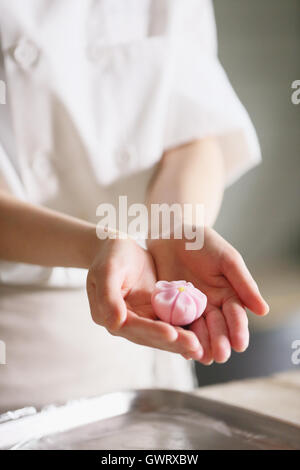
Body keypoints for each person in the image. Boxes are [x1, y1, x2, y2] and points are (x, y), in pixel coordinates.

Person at [0, 0, 268, 413]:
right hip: (20, 358)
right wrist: (97, 247)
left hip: (157, 343)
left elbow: (194, 134)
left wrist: (178, 228)